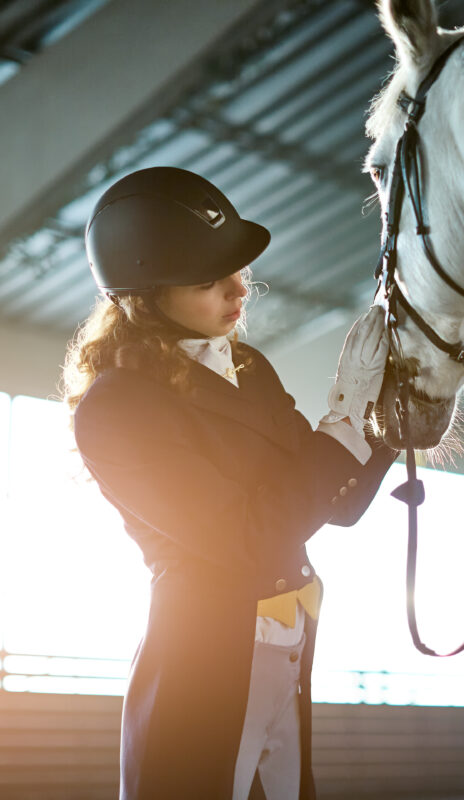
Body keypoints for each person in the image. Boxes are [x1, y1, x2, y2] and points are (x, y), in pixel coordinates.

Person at [62, 166, 397, 800]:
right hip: (204, 662)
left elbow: (337, 502)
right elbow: (251, 535)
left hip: (289, 650)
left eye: (235, 271)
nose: (239, 288)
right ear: (145, 294)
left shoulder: (248, 366)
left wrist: (389, 413)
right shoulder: (116, 408)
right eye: (209, 280)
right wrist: (343, 423)